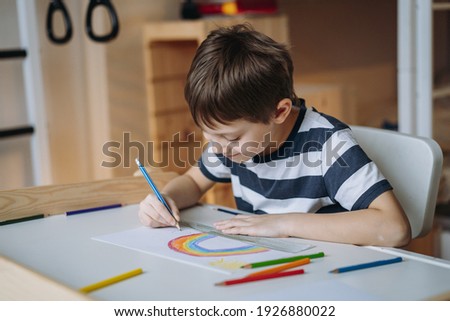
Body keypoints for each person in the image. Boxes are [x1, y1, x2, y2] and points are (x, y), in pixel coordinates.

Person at [138, 24, 411, 247]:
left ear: (279, 112)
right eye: (210, 136)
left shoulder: (327, 145)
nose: (219, 150)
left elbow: (394, 228)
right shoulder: (232, 144)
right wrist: (166, 199)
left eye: (231, 139)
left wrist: (283, 223)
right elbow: (193, 183)